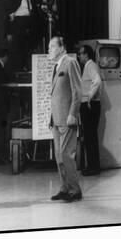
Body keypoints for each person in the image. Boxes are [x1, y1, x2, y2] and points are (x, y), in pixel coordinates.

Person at [48, 36, 83, 202]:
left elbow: (77, 91)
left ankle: (75, 190)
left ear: (62, 48)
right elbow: (55, 95)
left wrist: (73, 114)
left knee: (66, 154)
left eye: (52, 47)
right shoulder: (57, 66)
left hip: (68, 118)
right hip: (56, 119)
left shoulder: (70, 63)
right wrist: (51, 118)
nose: (49, 50)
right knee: (59, 155)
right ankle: (64, 188)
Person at [4, 0, 42, 72]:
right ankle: (17, 70)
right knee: (17, 50)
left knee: (28, 48)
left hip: (29, 23)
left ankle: (26, 67)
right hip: (18, 22)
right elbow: (7, 11)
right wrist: (8, 31)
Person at [78, 44, 103, 176]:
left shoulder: (90, 65)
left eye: (81, 53)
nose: (79, 56)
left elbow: (97, 81)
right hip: (90, 106)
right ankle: (93, 166)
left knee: (90, 137)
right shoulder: (89, 66)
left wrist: (89, 97)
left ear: (86, 54)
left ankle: (93, 167)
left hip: (90, 106)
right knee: (90, 137)